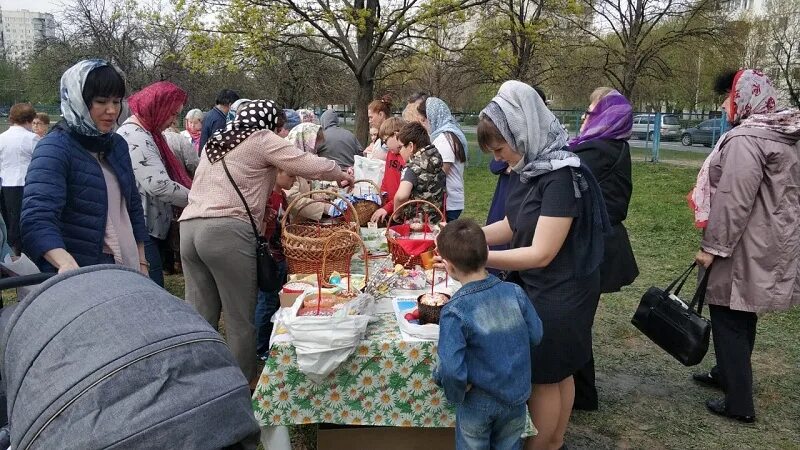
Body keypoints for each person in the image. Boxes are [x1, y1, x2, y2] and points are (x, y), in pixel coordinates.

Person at [179, 100, 353, 385]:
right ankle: (241, 388)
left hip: (189, 229)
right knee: (239, 320)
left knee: (200, 317)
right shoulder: (260, 138)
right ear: (271, 124)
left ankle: (197, 383)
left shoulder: (218, 141)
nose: (282, 133)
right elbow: (306, 163)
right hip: (226, 232)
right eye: (280, 127)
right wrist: (341, 172)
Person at [477, 80, 609, 450]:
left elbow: (542, 252)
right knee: (559, 373)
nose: (499, 157)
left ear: (523, 131)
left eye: (501, 148)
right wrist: (471, 235)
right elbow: (513, 224)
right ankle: (554, 442)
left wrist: (477, 256)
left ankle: (545, 444)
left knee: (547, 374)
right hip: (545, 286)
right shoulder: (531, 169)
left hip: (562, 291)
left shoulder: (561, 176)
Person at [689, 69, 799, 423]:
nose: (723, 105)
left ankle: (739, 402)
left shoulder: (746, 139)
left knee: (727, 316)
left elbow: (734, 200)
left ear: (745, 98)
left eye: (728, 96)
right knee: (742, 312)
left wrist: (713, 247)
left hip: (741, 244)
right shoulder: (785, 135)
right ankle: (726, 374)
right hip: (771, 241)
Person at [21, 59, 148, 274]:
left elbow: (132, 205)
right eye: (101, 101)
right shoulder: (54, 148)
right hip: (80, 272)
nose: (111, 110)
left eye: (116, 102)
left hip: (126, 264)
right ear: (78, 100)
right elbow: (37, 218)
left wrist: (143, 261)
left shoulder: (116, 145)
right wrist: (65, 263)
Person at [434, 218, 543, 450]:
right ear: (487, 253)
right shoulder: (515, 292)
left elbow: (452, 367)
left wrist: (455, 392)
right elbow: (536, 334)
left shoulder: (454, 310)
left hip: (478, 401)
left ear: (449, 267)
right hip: (516, 396)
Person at [569, 87, 639, 411]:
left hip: (594, 245)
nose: (585, 117)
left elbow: (563, 170)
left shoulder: (599, 148)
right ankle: (583, 393)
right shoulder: (615, 146)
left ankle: (583, 395)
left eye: (591, 111)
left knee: (576, 322)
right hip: (602, 242)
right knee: (580, 320)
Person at [118, 81, 192, 287]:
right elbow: (158, 184)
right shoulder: (136, 137)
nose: (173, 120)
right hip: (142, 228)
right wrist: (198, 199)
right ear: (156, 108)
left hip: (149, 225)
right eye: (171, 114)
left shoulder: (147, 133)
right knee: (152, 285)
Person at [255, 168, 295, 360]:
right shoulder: (269, 196)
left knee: (275, 302)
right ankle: (260, 347)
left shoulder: (282, 196)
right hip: (270, 258)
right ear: (278, 172)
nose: (294, 179)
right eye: (291, 175)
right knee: (266, 302)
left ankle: (272, 340)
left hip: (280, 256)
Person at [416, 97, 467, 222]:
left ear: (433, 118)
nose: (423, 125)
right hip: (446, 200)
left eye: (424, 121)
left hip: (448, 202)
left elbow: (441, 173)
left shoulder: (445, 138)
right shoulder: (444, 135)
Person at [0, 103, 39, 253]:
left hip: (4, 185)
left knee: (8, 223)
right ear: (30, 119)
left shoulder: (2, 138)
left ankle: (10, 253)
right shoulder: (33, 139)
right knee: (22, 223)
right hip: (25, 184)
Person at [393, 122, 446, 223]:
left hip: (416, 224)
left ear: (411, 146)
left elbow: (401, 196)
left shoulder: (412, 167)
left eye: (400, 147)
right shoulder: (437, 160)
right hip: (437, 222)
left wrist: (397, 212)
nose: (399, 151)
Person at [282, 122, 330, 222]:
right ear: (304, 143)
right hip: (291, 222)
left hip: (299, 220)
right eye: (314, 147)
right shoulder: (288, 163)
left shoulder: (299, 162)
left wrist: (319, 199)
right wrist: (324, 208)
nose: (314, 151)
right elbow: (292, 199)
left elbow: (305, 191)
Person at [369, 117, 407, 224]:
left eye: (385, 140)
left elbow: (405, 194)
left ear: (396, 135)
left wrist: (387, 208)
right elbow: (386, 180)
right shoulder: (391, 153)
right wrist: (381, 200)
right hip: (389, 208)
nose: (385, 144)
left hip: (401, 211)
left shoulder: (406, 157)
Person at [367, 95, 392, 160]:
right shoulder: (381, 134)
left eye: (371, 117)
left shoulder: (391, 133)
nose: (369, 121)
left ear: (381, 114)